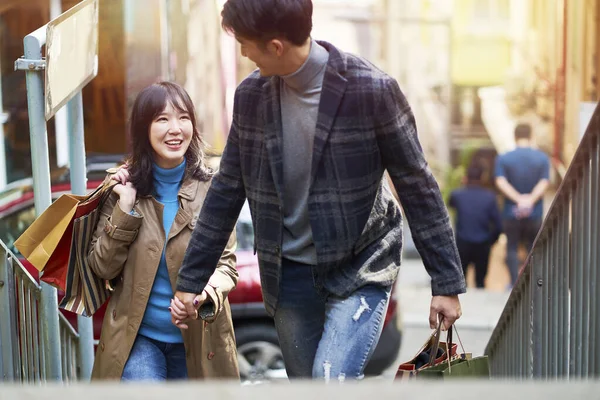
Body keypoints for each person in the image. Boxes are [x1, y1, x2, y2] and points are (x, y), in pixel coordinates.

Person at [170, 0, 465, 381]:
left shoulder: (371, 90)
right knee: (308, 387)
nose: (242, 53)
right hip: (288, 273)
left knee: (330, 379)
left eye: (246, 44)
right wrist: (191, 283)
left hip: (360, 266)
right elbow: (227, 189)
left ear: (275, 46)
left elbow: (418, 186)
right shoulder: (251, 97)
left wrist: (446, 283)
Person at [88, 82, 239, 381]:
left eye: (183, 117)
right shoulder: (121, 187)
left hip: (201, 341)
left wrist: (201, 297)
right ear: (144, 128)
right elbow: (102, 267)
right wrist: (126, 207)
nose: (175, 129)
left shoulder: (213, 188)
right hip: (138, 340)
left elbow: (227, 266)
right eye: (162, 119)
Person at [495, 123, 550, 286]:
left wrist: (518, 199)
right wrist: (530, 199)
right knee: (533, 248)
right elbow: (544, 182)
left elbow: (500, 181)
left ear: (515, 136)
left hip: (511, 212)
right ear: (531, 135)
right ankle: (532, 284)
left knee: (511, 246)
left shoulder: (504, 158)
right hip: (534, 212)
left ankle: (513, 283)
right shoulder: (542, 158)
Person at [449, 165, 502, 288]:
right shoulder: (490, 197)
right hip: (483, 244)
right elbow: (498, 226)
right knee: (480, 282)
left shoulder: (457, 195)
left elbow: (450, 205)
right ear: (482, 178)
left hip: (462, 243)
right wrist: (491, 241)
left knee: (460, 283)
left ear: (465, 178)